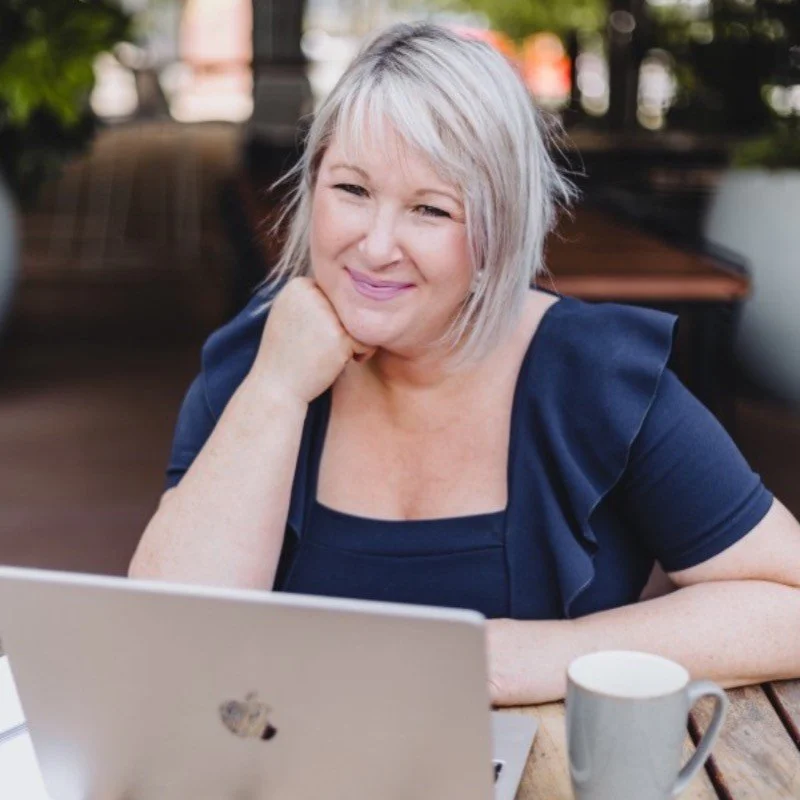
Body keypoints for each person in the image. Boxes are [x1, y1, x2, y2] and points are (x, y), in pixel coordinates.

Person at [130, 22, 800, 706]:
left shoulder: (593, 376)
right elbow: (166, 633)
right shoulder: (255, 361)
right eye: (352, 191)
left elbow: (791, 601)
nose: (376, 245)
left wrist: (549, 656)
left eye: (430, 209)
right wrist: (275, 390)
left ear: (497, 231)